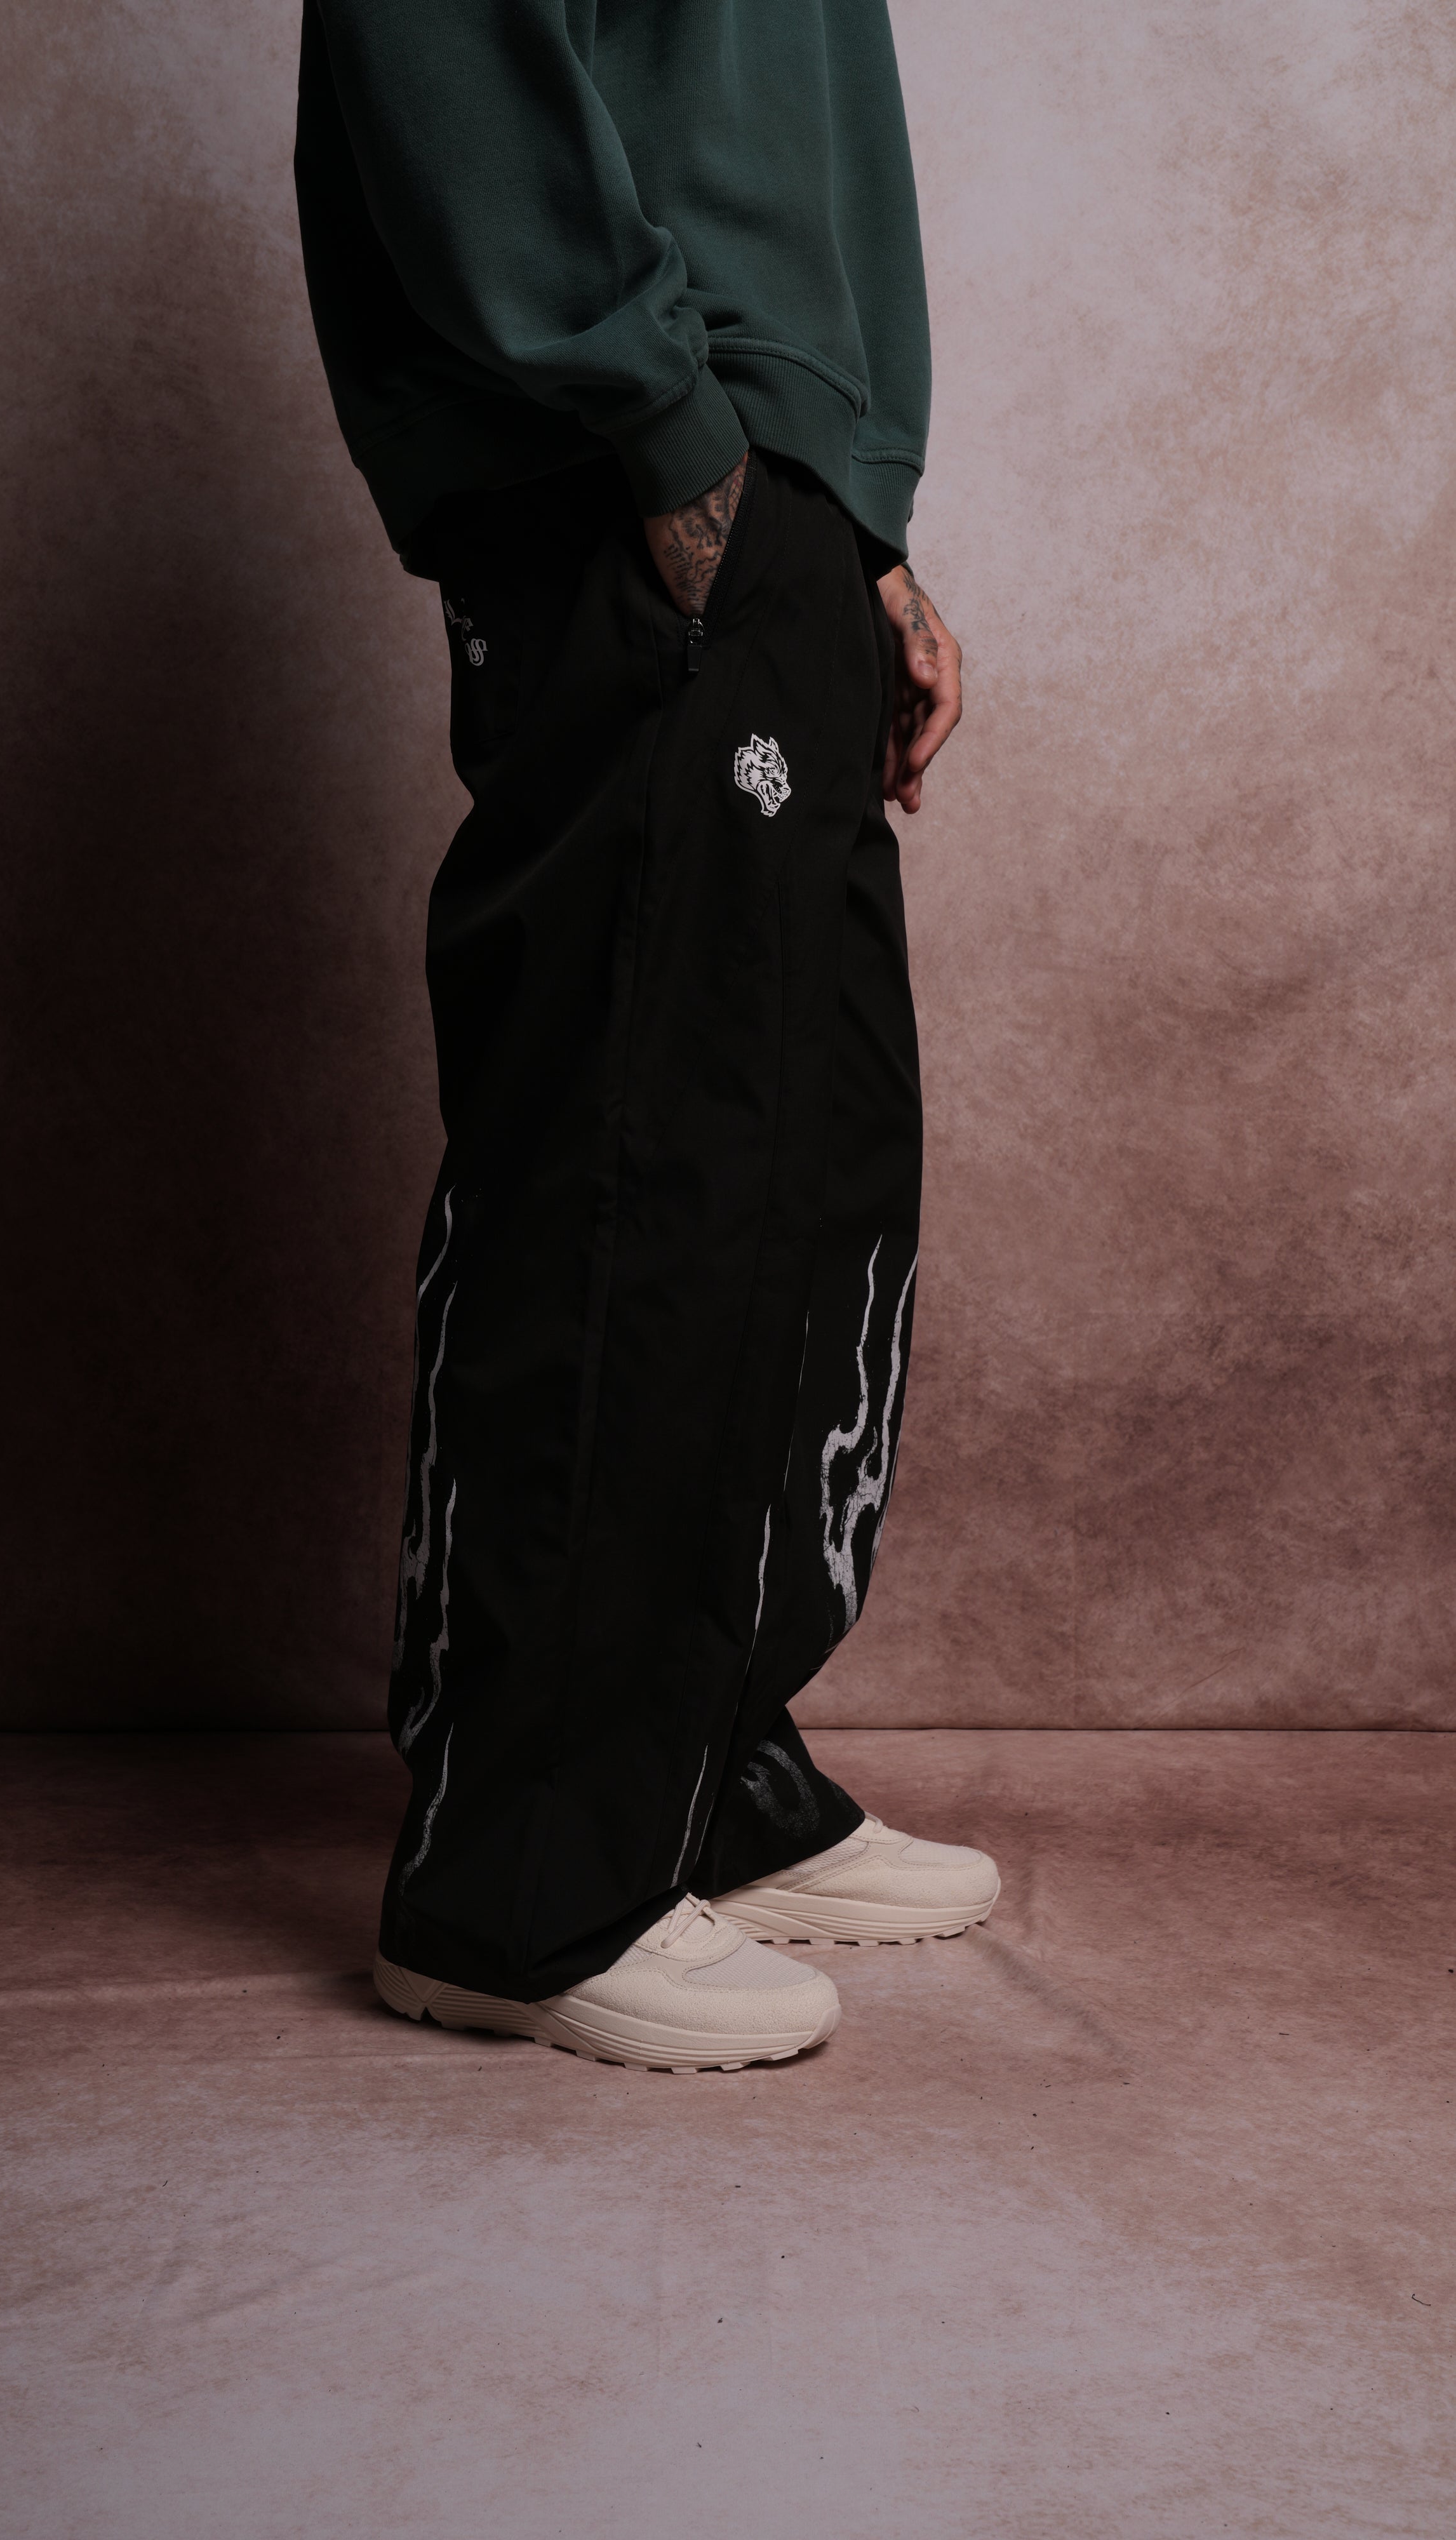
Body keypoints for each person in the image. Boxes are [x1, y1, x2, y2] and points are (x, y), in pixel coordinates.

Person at [294, 0, 998, 2073]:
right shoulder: (646, 440)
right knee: (638, 1159)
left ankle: (695, 1768)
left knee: (808, 1156)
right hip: (632, 465)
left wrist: (851, 531)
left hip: (768, 490)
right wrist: (668, 431)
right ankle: (521, 1878)